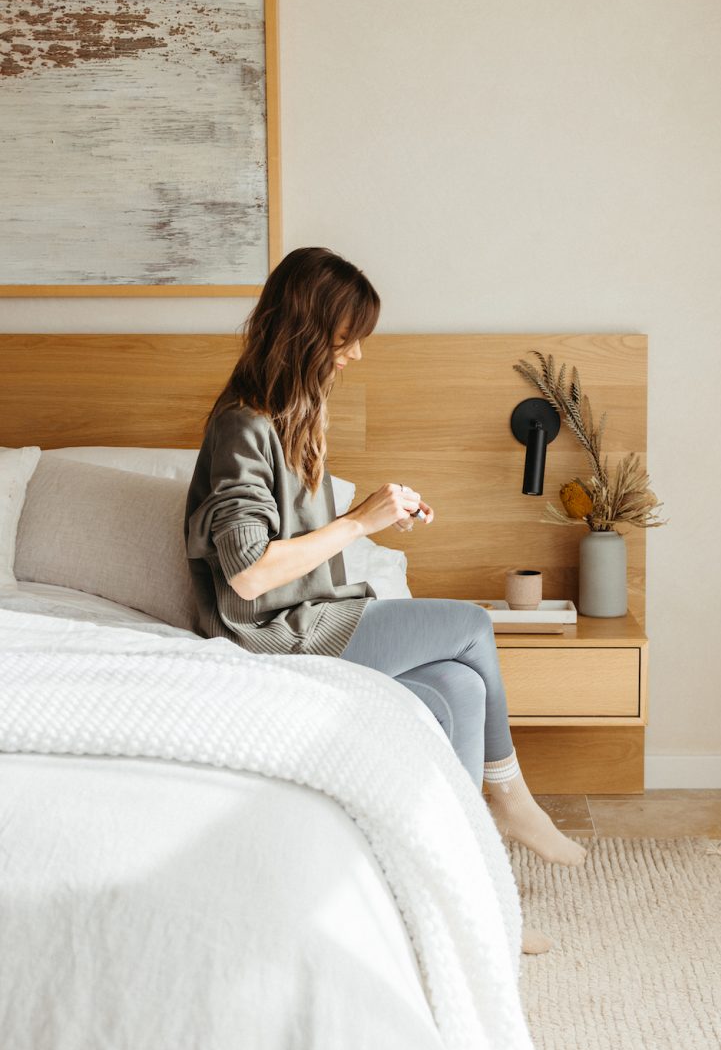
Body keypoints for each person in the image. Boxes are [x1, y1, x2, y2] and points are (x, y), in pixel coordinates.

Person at [184, 246, 586, 872]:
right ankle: (509, 799)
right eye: (347, 337)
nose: (356, 353)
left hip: (313, 614)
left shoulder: (299, 415)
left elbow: (306, 543)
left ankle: (463, 874)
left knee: (458, 683)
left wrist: (378, 514)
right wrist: (356, 522)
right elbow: (249, 572)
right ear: (305, 330)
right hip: (266, 634)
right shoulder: (243, 426)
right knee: (473, 626)